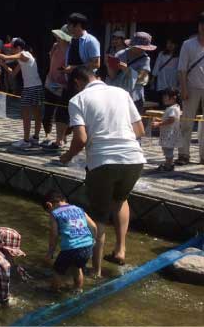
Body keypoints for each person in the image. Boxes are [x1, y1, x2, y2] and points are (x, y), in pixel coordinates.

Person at [59, 66, 145, 276]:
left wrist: (67, 156)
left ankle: (95, 271)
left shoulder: (78, 100)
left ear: (78, 83)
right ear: (96, 77)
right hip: (134, 158)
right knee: (121, 199)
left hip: (103, 162)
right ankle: (120, 250)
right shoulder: (121, 93)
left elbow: (81, 139)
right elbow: (140, 130)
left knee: (98, 216)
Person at [43, 191, 97, 291]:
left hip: (71, 248)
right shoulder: (79, 209)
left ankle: (53, 292)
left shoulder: (55, 213)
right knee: (77, 268)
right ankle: (78, 290)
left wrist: (50, 253)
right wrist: (93, 241)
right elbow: (93, 226)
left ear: (49, 205)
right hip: (87, 246)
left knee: (57, 271)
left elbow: (54, 235)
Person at [0, 38, 43, 148]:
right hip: (36, 87)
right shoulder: (25, 57)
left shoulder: (23, 54)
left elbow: (6, 57)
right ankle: (35, 138)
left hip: (30, 88)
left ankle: (26, 141)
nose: (10, 50)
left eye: (11, 48)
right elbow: (13, 73)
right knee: (37, 114)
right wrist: (2, 64)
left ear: (18, 48)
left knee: (26, 114)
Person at [176, 11, 204, 166]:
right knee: (187, 123)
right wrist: (183, 89)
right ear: (198, 25)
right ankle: (183, 154)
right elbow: (182, 69)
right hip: (191, 87)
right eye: (202, 24)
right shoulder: (188, 44)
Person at [42, 25, 72, 149]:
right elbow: (51, 62)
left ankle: (63, 136)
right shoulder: (55, 46)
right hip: (51, 82)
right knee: (48, 111)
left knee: (64, 113)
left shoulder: (72, 49)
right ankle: (47, 135)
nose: (58, 38)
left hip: (64, 86)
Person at [115, 32, 156, 114]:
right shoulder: (120, 54)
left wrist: (127, 70)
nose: (143, 49)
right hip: (118, 93)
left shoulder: (145, 59)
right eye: (140, 47)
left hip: (135, 96)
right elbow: (112, 74)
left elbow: (141, 77)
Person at [152, 89, 182, 172]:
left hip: (169, 133)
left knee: (168, 150)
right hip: (168, 133)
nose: (164, 99)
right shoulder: (174, 107)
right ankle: (168, 163)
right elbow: (169, 118)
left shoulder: (172, 109)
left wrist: (159, 124)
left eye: (166, 97)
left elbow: (171, 120)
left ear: (173, 98)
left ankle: (168, 165)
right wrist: (160, 119)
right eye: (163, 97)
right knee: (167, 149)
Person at [151, 39, 180, 105]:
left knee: (172, 93)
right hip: (163, 76)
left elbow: (179, 68)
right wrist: (153, 78)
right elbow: (157, 66)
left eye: (172, 44)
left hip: (173, 77)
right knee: (163, 93)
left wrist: (179, 80)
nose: (170, 45)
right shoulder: (161, 54)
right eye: (168, 43)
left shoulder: (178, 56)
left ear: (176, 45)